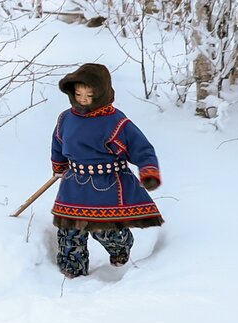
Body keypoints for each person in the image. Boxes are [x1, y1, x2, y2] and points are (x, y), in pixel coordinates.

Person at [49, 63, 163, 278]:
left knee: (104, 230)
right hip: (74, 184)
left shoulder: (116, 122)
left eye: (89, 94)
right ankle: (71, 272)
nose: (82, 99)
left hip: (106, 185)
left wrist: (149, 171)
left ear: (101, 93)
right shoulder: (66, 118)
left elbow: (142, 149)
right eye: (78, 93)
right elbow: (58, 143)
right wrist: (59, 166)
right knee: (70, 230)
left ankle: (121, 244)